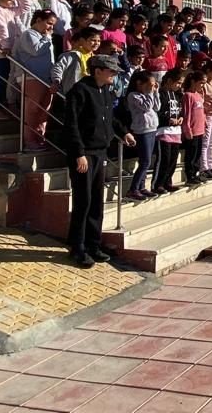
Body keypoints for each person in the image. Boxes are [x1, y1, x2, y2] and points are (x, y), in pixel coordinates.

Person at [63, 54, 135, 268]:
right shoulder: (79, 91)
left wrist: (123, 132)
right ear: (97, 70)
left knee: (96, 201)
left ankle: (93, 244)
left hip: (100, 152)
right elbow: (72, 125)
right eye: (111, 71)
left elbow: (109, 117)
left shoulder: (105, 90)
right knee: (83, 201)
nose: (114, 75)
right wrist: (78, 153)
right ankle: (78, 247)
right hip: (84, 154)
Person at [12, 9, 57, 151]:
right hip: (31, 77)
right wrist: (47, 38)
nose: (51, 27)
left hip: (45, 78)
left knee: (44, 110)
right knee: (32, 109)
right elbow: (35, 50)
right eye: (49, 23)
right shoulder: (29, 34)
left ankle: (40, 138)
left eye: (53, 25)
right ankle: (29, 140)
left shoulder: (45, 37)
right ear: (38, 20)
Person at [126, 71, 160, 201]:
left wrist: (155, 92)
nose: (151, 87)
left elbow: (156, 107)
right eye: (148, 84)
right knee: (145, 161)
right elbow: (146, 107)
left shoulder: (148, 95)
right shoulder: (133, 96)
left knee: (147, 160)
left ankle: (141, 186)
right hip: (142, 130)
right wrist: (150, 92)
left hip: (152, 129)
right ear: (139, 83)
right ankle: (133, 188)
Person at [154, 69, 185, 194]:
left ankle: (168, 181)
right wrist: (168, 119)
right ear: (169, 81)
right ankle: (158, 184)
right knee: (164, 159)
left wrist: (181, 117)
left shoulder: (178, 95)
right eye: (178, 83)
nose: (179, 86)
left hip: (176, 131)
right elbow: (157, 112)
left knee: (173, 159)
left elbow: (180, 110)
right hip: (164, 131)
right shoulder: (161, 94)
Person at [180, 71, 206, 185]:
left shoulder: (199, 95)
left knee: (198, 153)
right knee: (191, 154)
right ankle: (189, 175)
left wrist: (204, 125)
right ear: (193, 81)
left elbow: (202, 113)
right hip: (192, 130)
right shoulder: (188, 95)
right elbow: (187, 114)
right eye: (201, 83)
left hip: (200, 130)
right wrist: (187, 129)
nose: (202, 86)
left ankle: (196, 173)